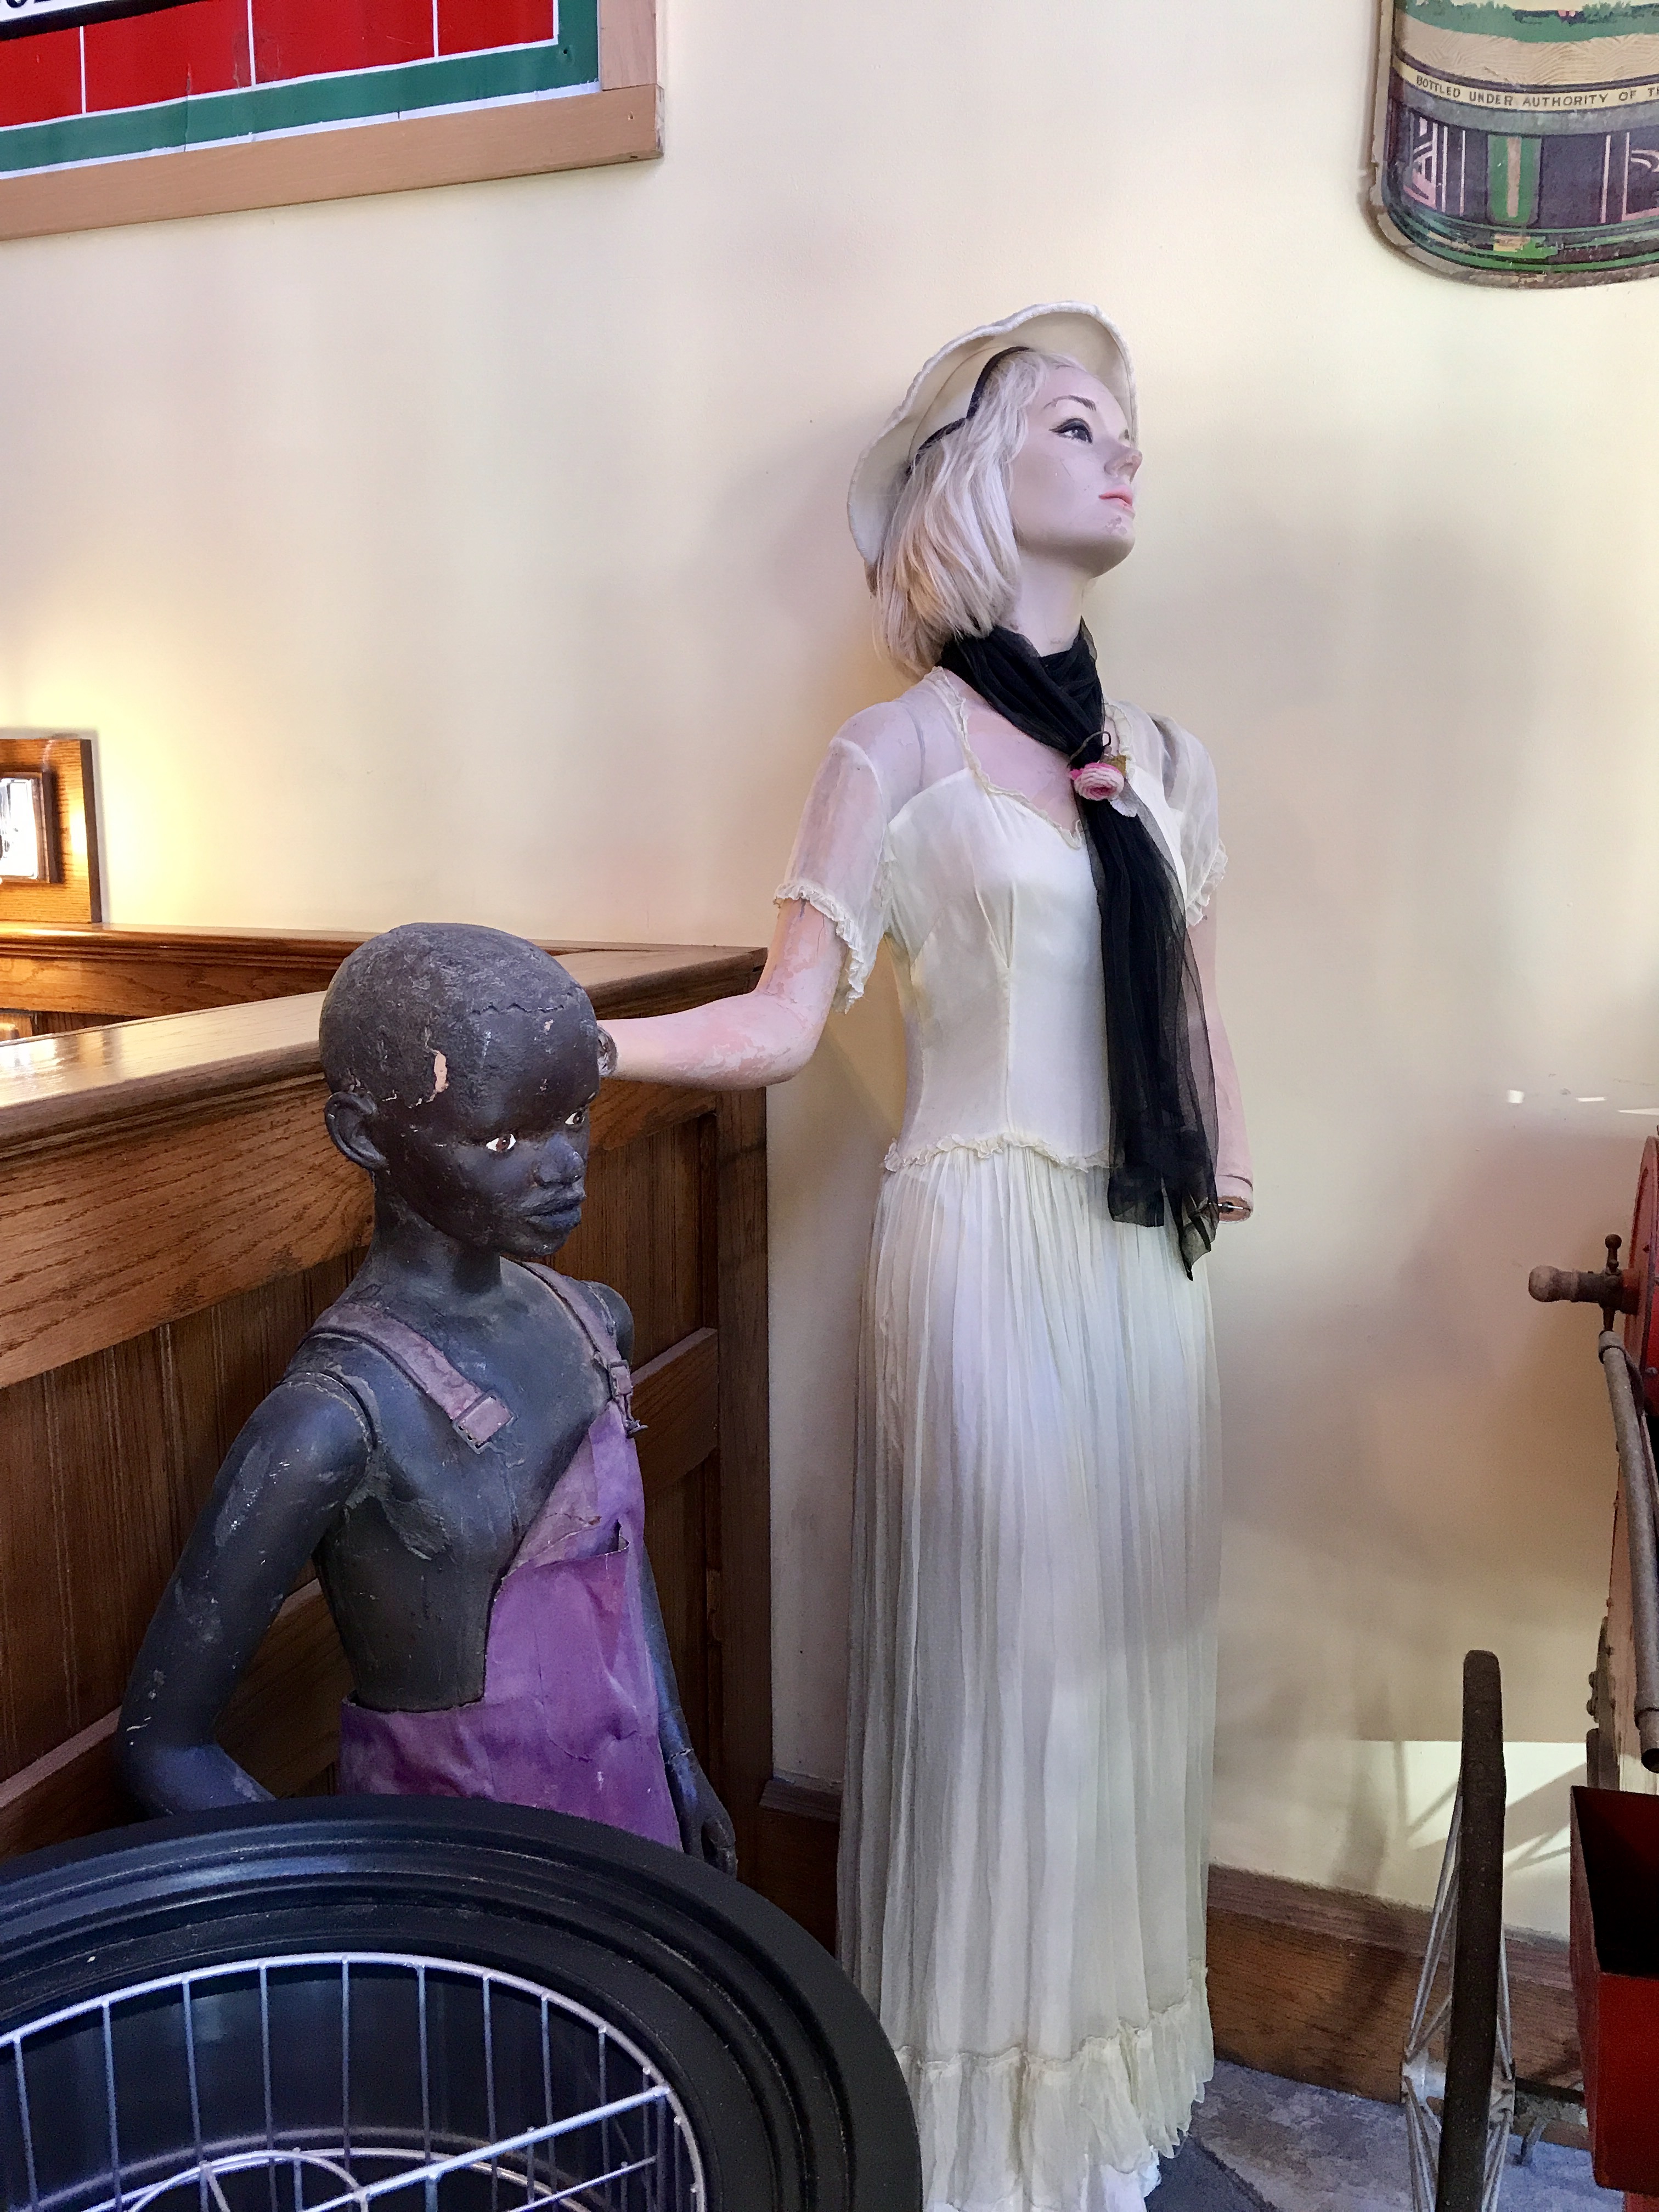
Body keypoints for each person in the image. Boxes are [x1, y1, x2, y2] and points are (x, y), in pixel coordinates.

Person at [603, 303, 1251, 2210]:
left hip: (1141, 1260)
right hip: (976, 1244)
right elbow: (783, 1020)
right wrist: (581, 1046)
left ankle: (1099, 2095)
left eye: (1127, 426)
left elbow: (1196, 1011)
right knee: (1011, 1670)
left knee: (1127, 1666)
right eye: (1075, 424)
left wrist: (1226, 1158)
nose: (1123, 453)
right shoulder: (888, 752)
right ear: (977, 476)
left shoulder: (1167, 762)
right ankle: (979, 2129)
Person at [119, 922, 736, 1874]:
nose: (564, 1166)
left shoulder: (591, 1324)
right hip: (456, 1876)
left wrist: (678, 1759)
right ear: (365, 1136)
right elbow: (161, 1746)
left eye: (575, 1116)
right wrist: (355, 1902)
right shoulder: (334, 1419)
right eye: (502, 1138)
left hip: (632, 1828)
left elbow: (618, 1564)